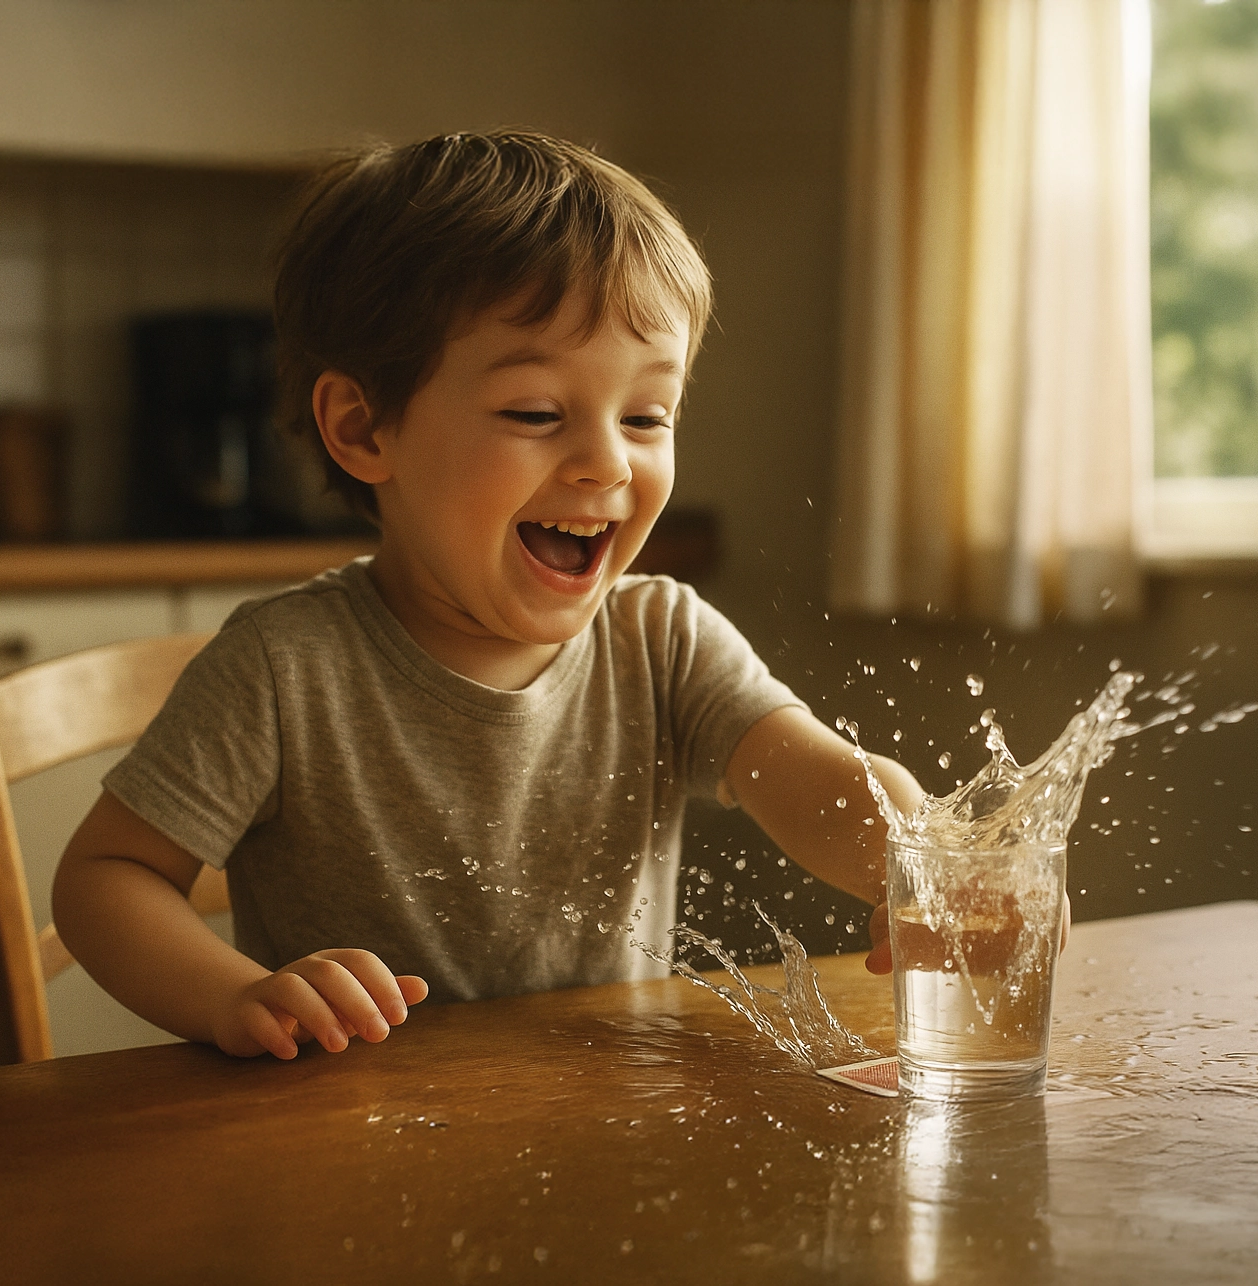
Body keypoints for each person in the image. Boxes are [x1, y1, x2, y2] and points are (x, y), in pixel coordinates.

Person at [52, 130, 929, 1061]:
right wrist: (239, 997)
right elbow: (107, 880)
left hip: (601, 1132)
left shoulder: (662, 638)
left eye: (646, 417)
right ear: (362, 429)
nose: (605, 462)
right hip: (353, 1145)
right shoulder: (284, 669)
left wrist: (918, 867)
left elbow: (819, 783)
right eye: (536, 414)